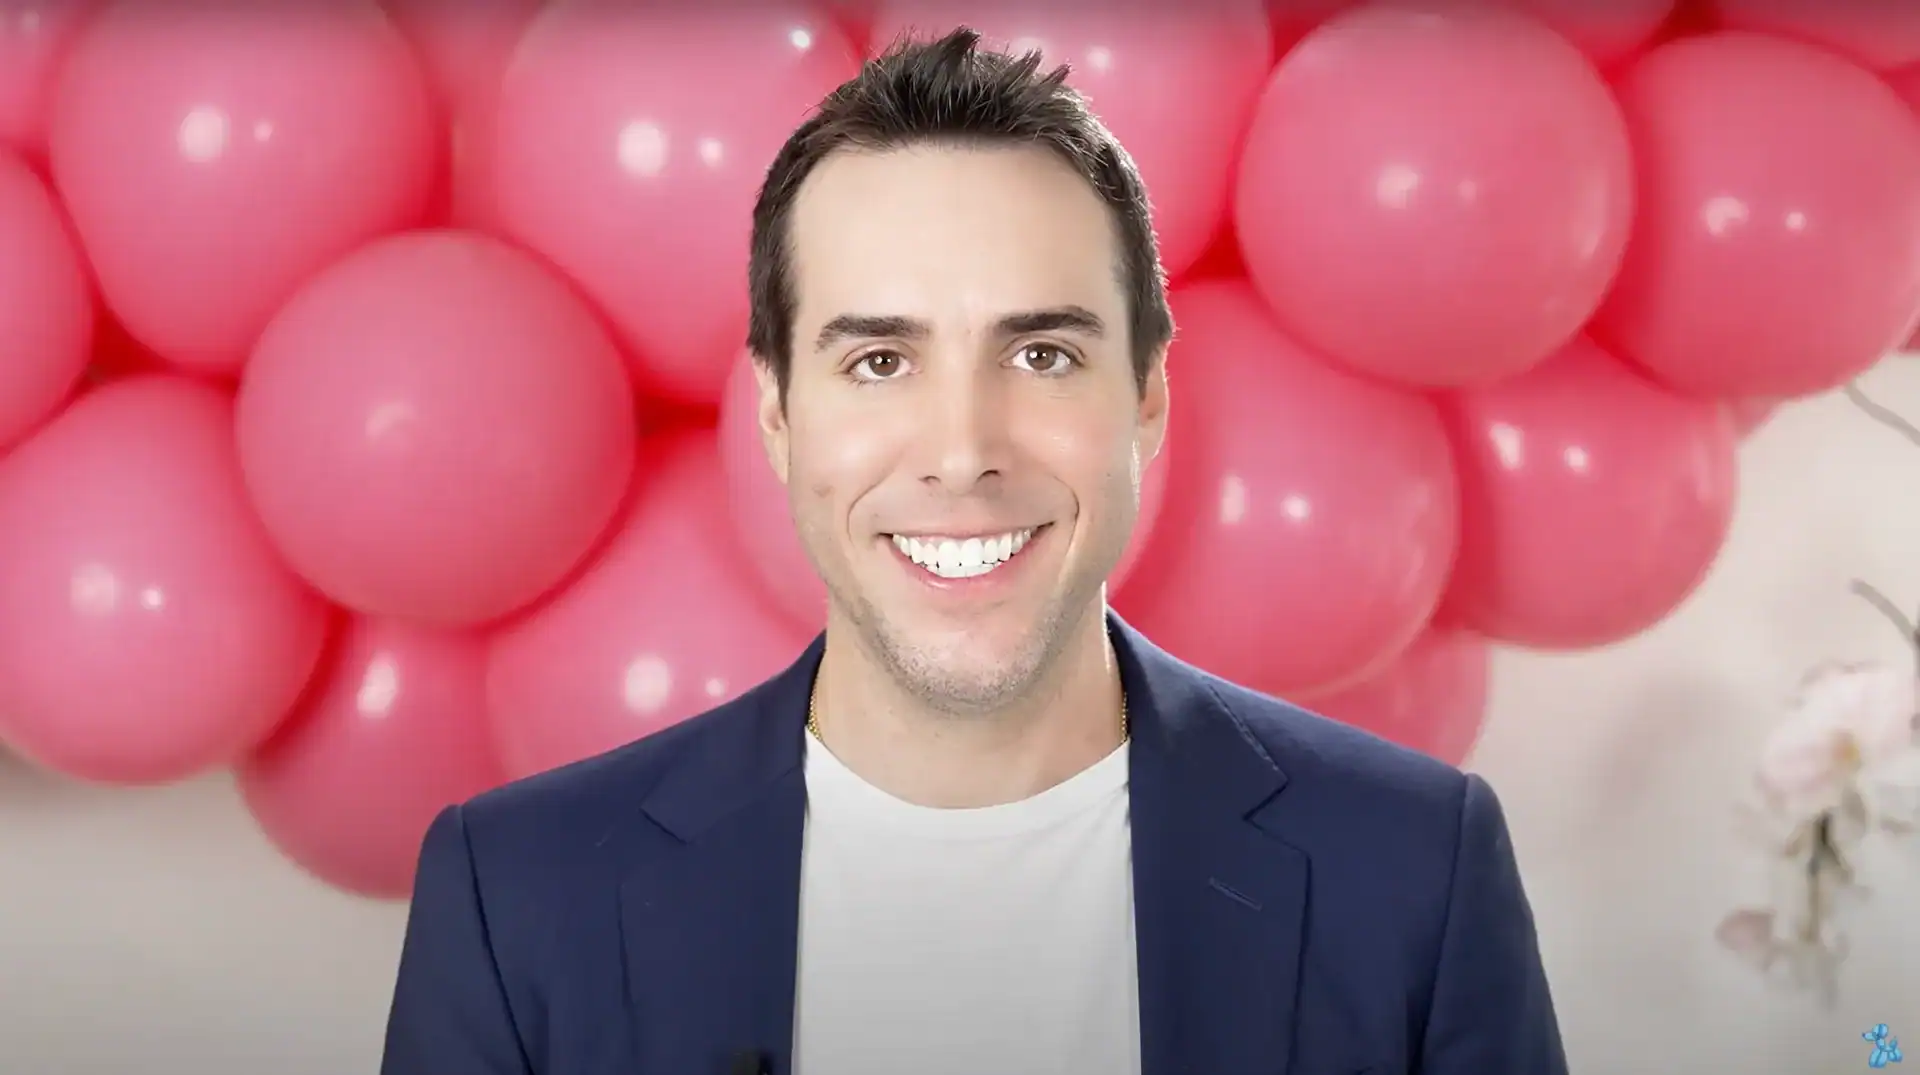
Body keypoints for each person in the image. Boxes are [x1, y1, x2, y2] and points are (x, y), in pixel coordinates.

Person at [380, 27, 1565, 1075]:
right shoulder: (517, 900)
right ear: (778, 414)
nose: (962, 451)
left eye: (1042, 355)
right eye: (879, 362)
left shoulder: (1415, 874)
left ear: (1148, 396)